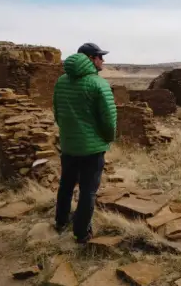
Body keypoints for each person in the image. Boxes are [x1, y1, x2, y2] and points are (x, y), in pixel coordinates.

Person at [52, 42, 117, 243]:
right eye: (99, 56)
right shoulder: (98, 84)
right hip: (92, 148)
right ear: (90, 59)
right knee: (88, 190)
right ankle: (82, 233)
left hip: (69, 144)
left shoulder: (61, 81)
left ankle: (61, 220)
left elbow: (57, 112)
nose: (103, 60)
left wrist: (68, 133)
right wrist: (107, 138)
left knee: (66, 184)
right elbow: (109, 119)